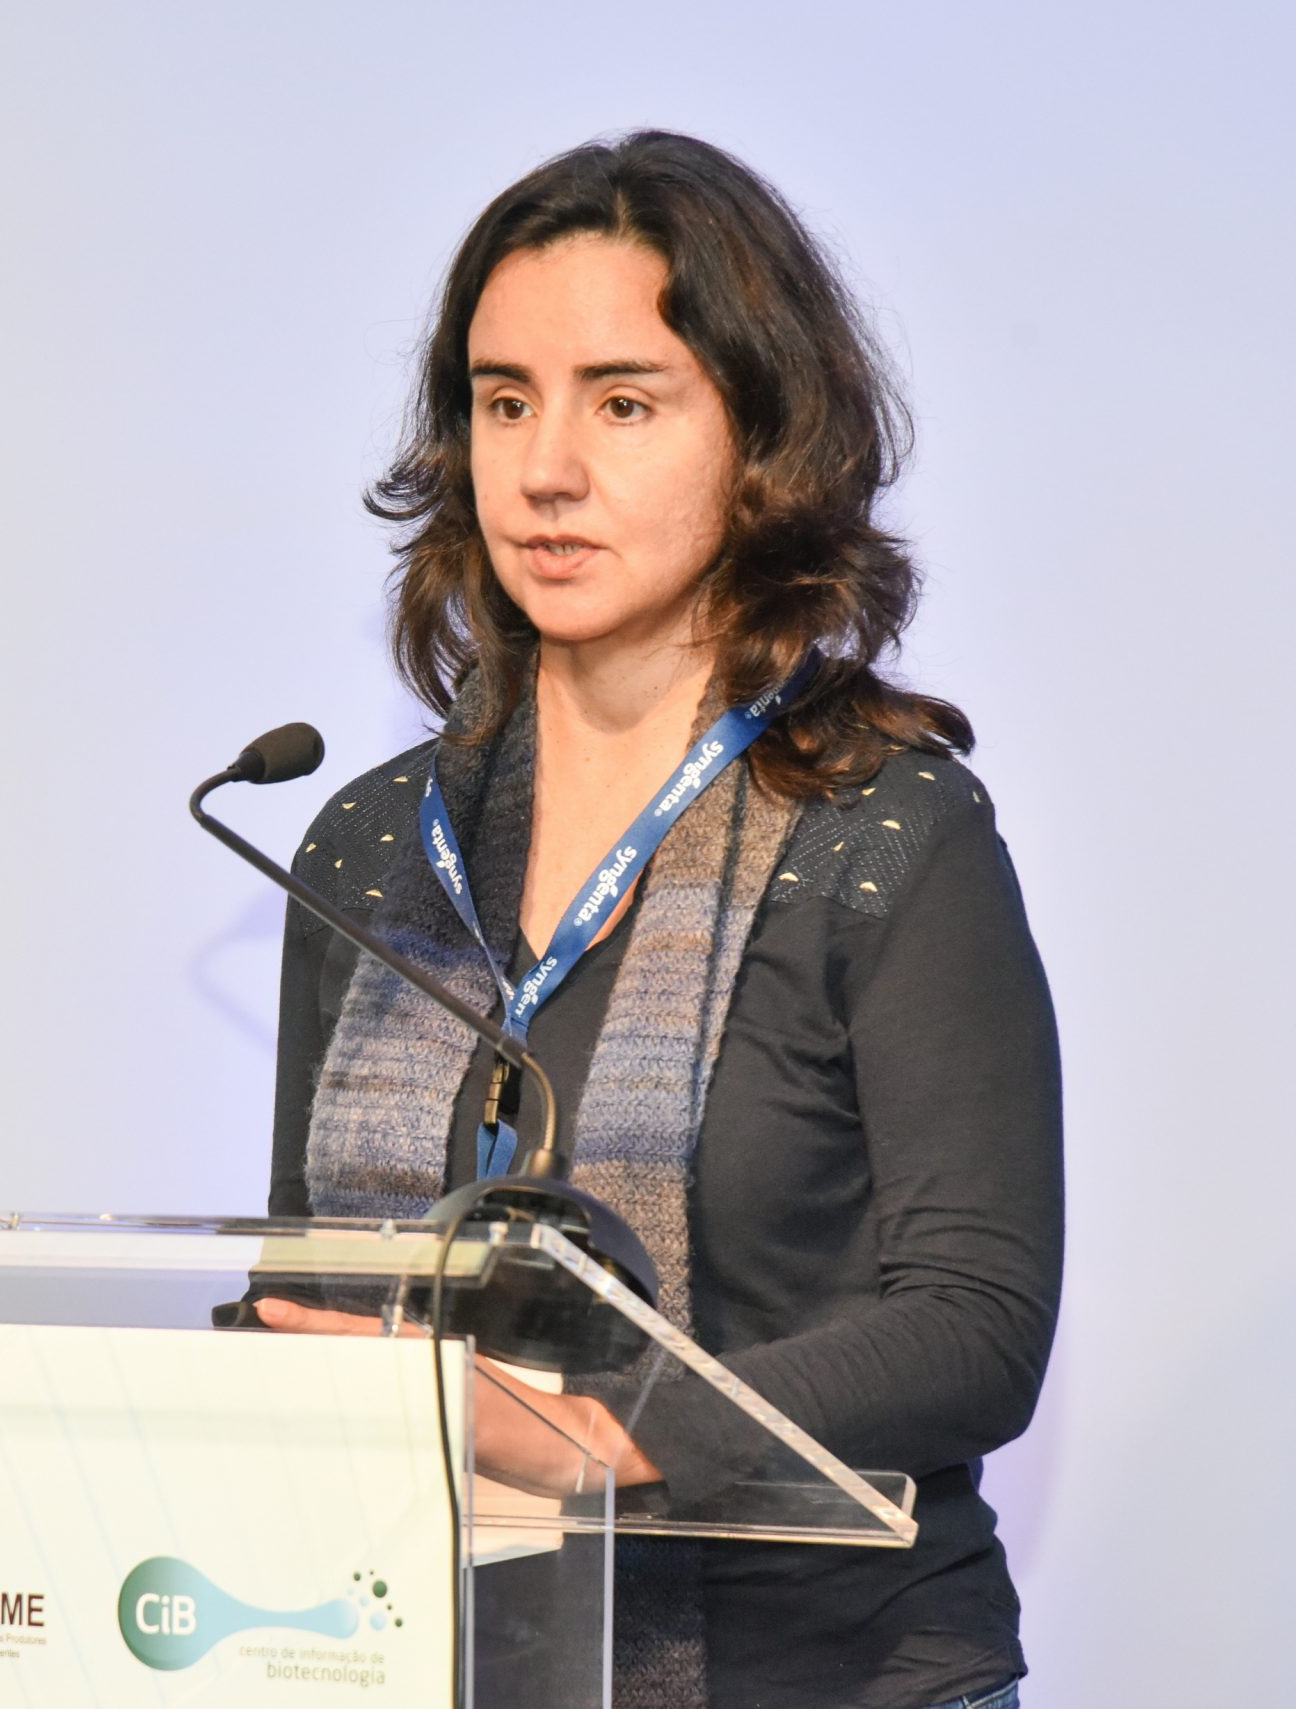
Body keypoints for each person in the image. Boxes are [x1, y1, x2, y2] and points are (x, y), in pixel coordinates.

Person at [256, 131, 1061, 1709]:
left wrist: (603, 1430)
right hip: (447, 1662)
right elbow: (315, 1291)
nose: (546, 468)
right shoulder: (372, 847)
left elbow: (974, 1328)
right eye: (505, 402)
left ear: (762, 437)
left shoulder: (884, 839)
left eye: (623, 403)